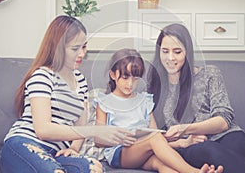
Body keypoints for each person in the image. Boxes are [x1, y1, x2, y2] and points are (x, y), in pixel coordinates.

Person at [0, 15, 136, 173]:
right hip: (24, 145)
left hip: (57, 155)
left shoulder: (80, 81)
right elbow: (43, 129)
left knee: (94, 168)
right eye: (75, 48)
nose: (82, 53)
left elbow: (80, 126)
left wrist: (74, 149)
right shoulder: (42, 76)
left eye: (84, 47)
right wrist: (95, 131)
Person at [147, 23, 245, 173]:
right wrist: (183, 141)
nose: (170, 58)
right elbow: (155, 139)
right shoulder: (156, 85)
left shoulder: (210, 74)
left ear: (188, 53)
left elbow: (224, 121)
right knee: (209, 150)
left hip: (227, 135)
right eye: (165, 51)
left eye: (177, 51)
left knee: (240, 145)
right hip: (191, 146)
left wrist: (185, 128)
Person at [95, 48, 223, 173]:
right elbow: (98, 141)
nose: (130, 84)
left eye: (135, 79)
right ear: (112, 74)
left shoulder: (144, 100)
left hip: (144, 150)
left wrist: (182, 142)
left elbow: (157, 137)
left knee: (164, 166)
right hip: (120, 153)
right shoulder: (105, 102)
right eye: (125, 77)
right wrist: (120, 136)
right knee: (154, 138)